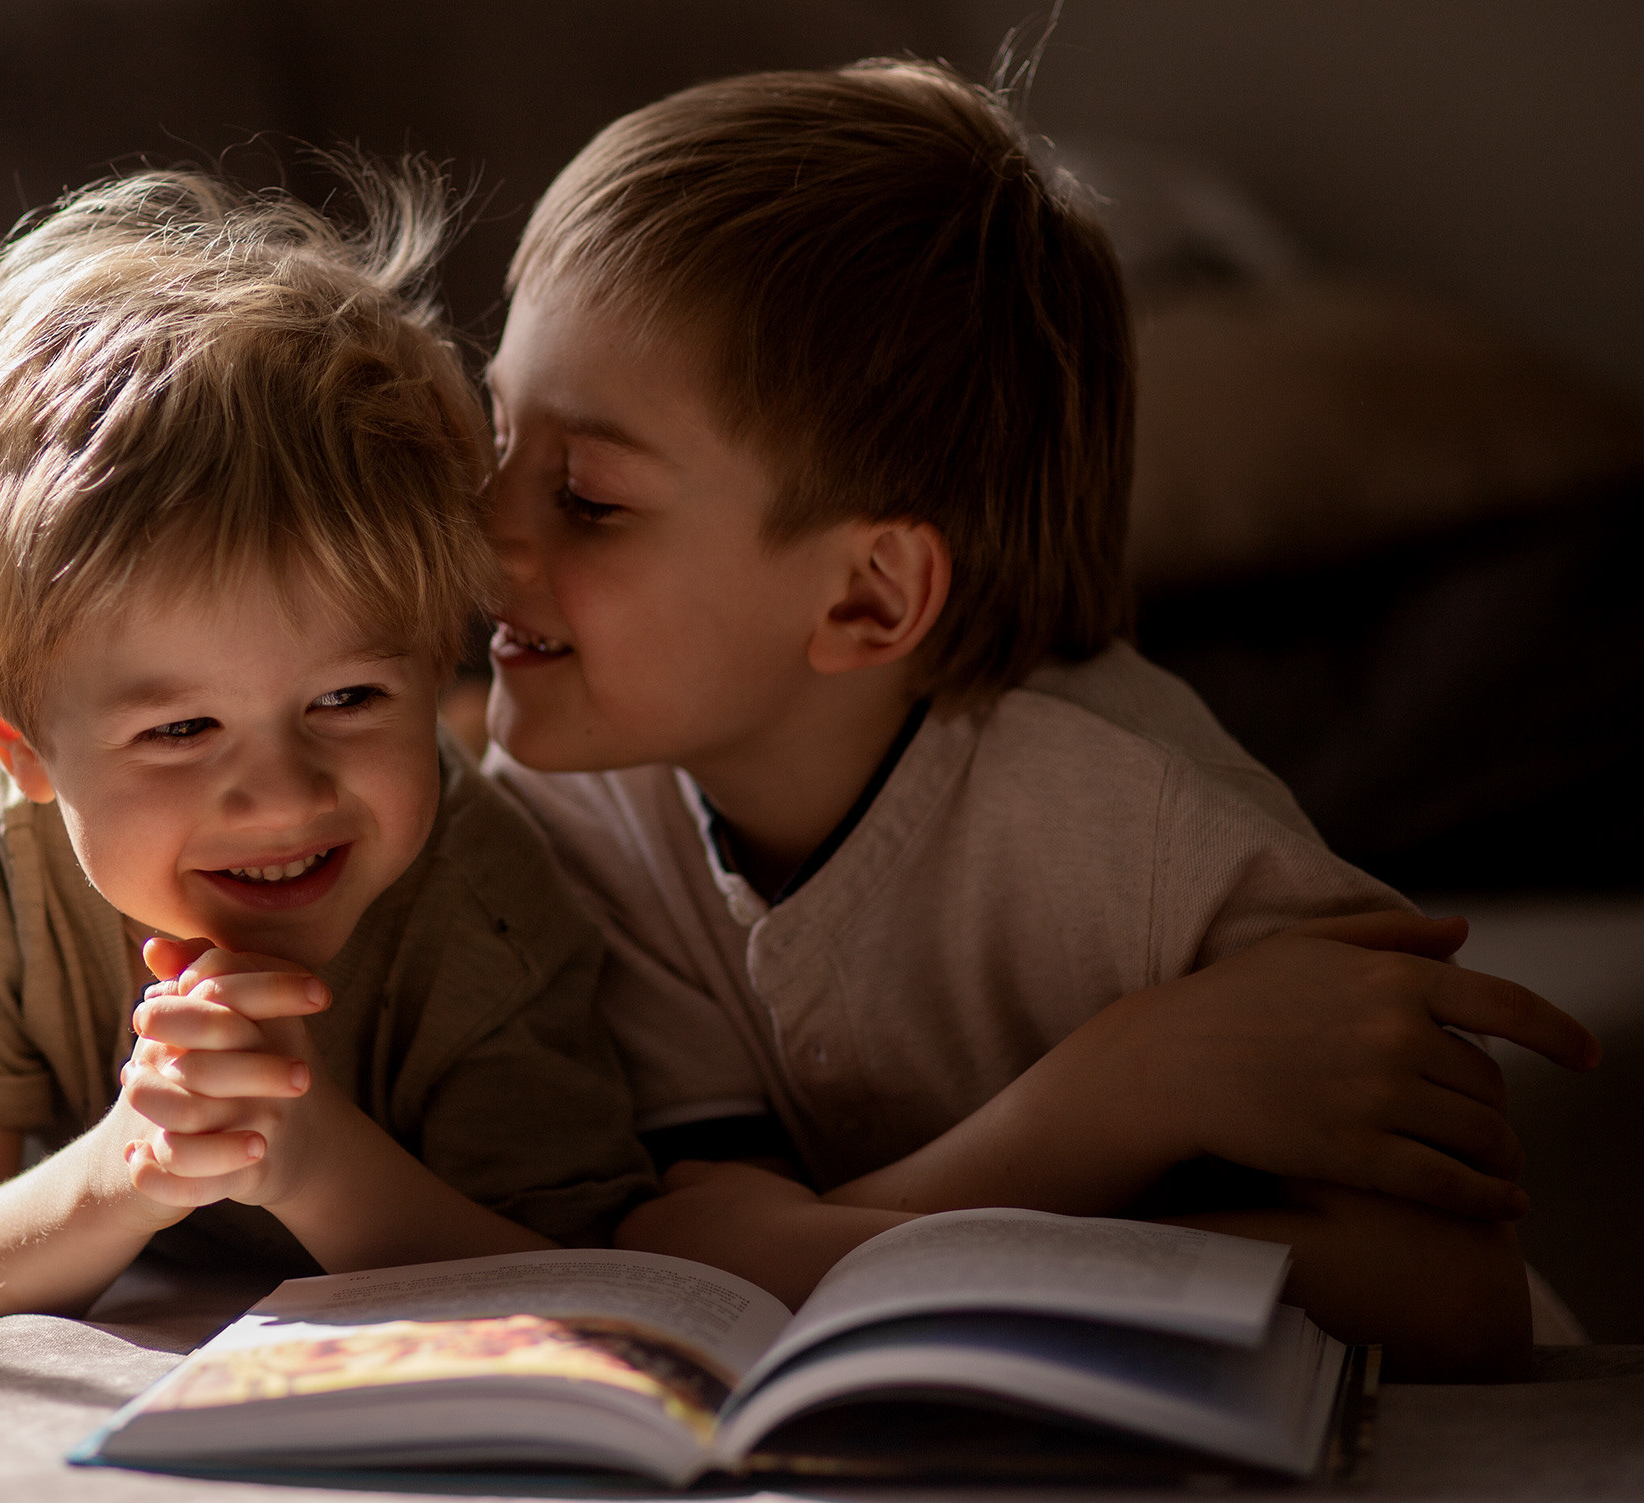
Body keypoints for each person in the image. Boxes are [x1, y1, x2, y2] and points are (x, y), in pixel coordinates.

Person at [479, 59, 1598, 1378]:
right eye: (494, 434)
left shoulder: (1143, 828)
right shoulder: (577, 807)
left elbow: (1458, 1295)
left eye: (587, 495)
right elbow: (719, 1239)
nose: (482, 527)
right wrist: (1117, 1094)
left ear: (869, 596)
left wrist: (812, 1242)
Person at [0, 168, 654, 1324]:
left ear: (436, 668)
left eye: (348, 698)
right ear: (20, 743)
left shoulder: (490, 903)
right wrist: (127, 1171)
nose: (280, 796)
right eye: (179, 729)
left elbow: (580, 1274)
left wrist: (307, 1160)